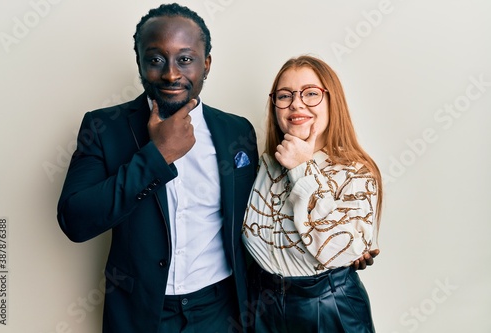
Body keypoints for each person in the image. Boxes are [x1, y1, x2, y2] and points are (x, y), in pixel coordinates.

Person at [57, 3, 259, 332]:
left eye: (185, 59)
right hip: (141, 315)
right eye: (155, 59)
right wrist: (157, 156)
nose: (170, 73)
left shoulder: (237, 132)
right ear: (139, 63)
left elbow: (259, 218)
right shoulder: (103, 128)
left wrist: (340, 246)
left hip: (220, 312)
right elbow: (75, 221)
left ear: (205, 64)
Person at [242, 55, 383, 333]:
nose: (296, 103)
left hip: (328, 308)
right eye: (285, 95)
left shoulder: (356, 172)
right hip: (261, 308)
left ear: (332, 101)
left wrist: (302, 167)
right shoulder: (264, 167)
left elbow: (335, 250)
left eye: (310, 93)